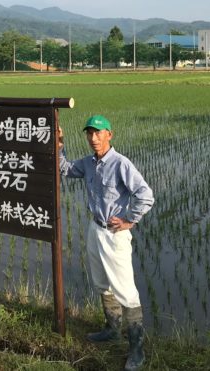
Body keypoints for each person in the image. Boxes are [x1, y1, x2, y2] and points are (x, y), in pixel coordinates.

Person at [59, 115, 154, 371]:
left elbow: (146, 195)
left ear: (109, 134)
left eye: (98, 133)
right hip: (95, 228)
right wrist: (59, 146)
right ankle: (112, 330)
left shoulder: (121, 164)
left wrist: (129, 220)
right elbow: (65, 169)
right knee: (101, 282)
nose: (93, 138)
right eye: (89, 133)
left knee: (126, 290)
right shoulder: (89, 163)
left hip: (115, 234)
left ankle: (137, 350)